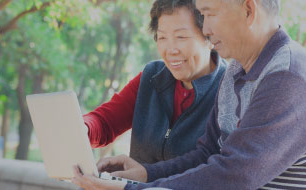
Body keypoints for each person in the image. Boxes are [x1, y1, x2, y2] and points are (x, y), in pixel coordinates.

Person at [72, 0, 306, 189]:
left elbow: (237, 173)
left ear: (248, 10)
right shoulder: (237, 73)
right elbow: (208, 153)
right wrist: (146, 175)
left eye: (209, 13)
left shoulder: (287, 76)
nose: (206, 28)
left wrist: (135, 189)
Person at [82, 0, 227, 164]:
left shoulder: (231, 90)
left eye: (181, 37)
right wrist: (83, 128)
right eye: (162, 37)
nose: (171, 49)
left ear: (209, 37)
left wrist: (146, 177)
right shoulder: (152, 77)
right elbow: (105, 123)